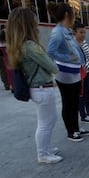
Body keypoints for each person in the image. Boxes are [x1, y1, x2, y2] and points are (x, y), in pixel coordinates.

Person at [6, 8, 62, 163]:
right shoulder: (30, 46)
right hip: (41, 88)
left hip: (40, 88)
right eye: (35, 21)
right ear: (28, 24)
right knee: (45, 122)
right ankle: (43, 154)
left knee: (50, 119)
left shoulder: (21, 45)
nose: (37, 24)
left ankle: (47, 148)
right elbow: (53, 67)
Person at [47, 2, 89, 142]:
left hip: (74, 72)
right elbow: (50, 51)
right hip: (65, 74)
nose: (74, 17)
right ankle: (71, 131)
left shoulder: (67, 30)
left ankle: (76, 128)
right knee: (69, 103)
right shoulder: (58, 32)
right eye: (73, 13)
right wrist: (68, 57)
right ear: (67, 15)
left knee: (75, 102)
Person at [0, 24, 11, 90]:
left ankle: (6, 85)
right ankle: (11, 84)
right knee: (8, 68)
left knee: (2, 70)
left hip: (1, 51)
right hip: (5, 50)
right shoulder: (5, 32)